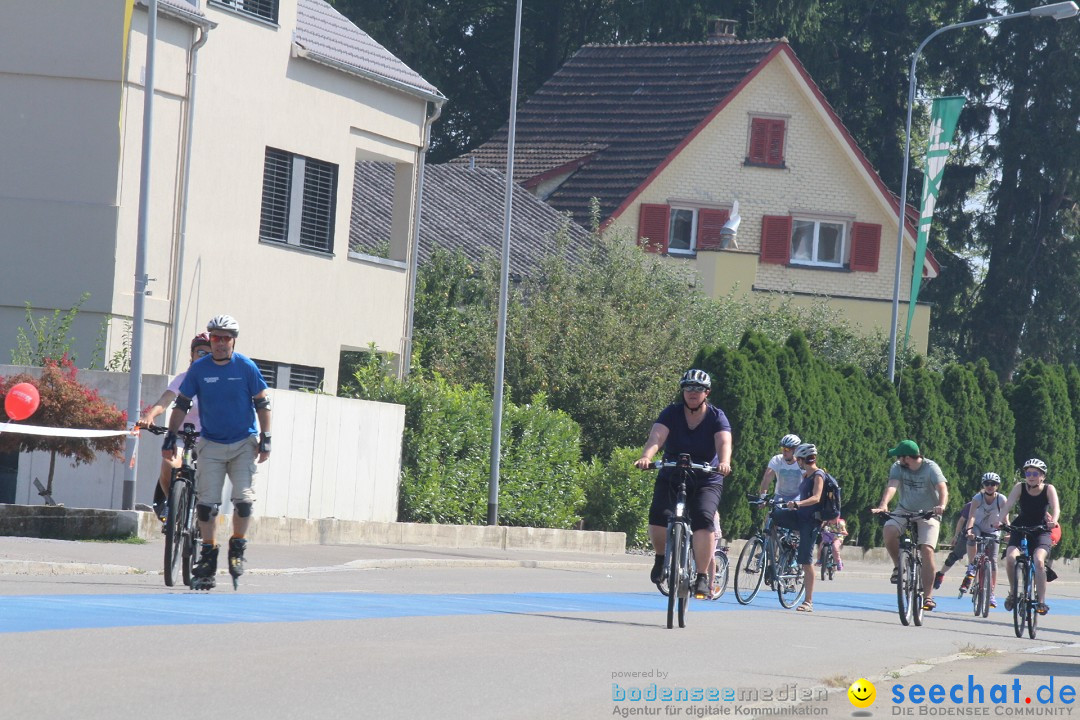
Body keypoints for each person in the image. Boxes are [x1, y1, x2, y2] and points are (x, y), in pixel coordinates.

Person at [161, 315, 272, 590]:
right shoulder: (199, 370)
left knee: (243, 501)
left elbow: (262, 402)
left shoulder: (245, 367)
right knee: (206, 505)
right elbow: (181, 404)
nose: (220, 343)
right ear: (210, 340)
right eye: (215, 338)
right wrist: (170, 436)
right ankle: (208, 558)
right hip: (210, 443)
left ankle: (237, 546)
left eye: (225, 338)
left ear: (233, 341)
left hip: (243, 442)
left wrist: (266, 437)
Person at [634, 369, 732, 599]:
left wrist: (725, 462)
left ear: (707, 393)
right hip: (673, 472)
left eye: (698, 389)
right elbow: (656, 437)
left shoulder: (717, 416)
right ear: (683, 391)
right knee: (659, 514)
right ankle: (660, 559)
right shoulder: (672, 413)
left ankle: (701, 576)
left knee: (703, 519)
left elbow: (724, 440)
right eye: (688, 388)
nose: (693, 393)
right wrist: (647, 456)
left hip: (706, 476)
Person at [136, 333, 212, 521]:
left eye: (210, 354)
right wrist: (149, 416)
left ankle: (202, 509)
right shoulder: (183, 379)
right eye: (201, 352)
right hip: (182, 435)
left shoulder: (218, 381)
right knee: (169, 463)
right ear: (192, 355)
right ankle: (172, 502)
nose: (205, 357)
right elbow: (165, 400)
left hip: (209, 438)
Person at [871, 439, 948, 611]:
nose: (898, 460)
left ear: (908, 457)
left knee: (926, 549)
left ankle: (928, 597)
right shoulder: (897, 467)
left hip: (928, 513)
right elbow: (892, 486)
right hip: (904, 509)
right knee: (889, 529)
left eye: (900, 457)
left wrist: (941, 506)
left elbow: (942, 488)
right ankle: (898, 566)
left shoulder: (931, 467)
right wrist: (884, 504)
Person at [998, 459, 1060, 615]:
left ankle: (1041, 601)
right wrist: (999, 520)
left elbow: (1056, 507)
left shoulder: (1048, 489)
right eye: (1028, 473)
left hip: (1041, 528)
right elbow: (1008, 505)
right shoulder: (1020, 487)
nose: (1030, 476)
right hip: (1021, 526)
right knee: (1011, 557)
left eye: (1035, 473)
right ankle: (1013, 593)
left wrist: (1054, 521)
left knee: (1039, 560)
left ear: (1042, 476)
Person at [771, 443, 824, 612]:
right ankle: (782, 550)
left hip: (810, 521)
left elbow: (816, 498)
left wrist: (798, 503)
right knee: (774, 516)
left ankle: (808, 601)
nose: (797, 462)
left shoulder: (818, 475)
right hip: (800, 516)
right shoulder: (806, 476)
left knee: (806, 561)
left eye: (799, 460)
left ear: (802, 460)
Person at [961, 472, 1006, 608]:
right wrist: (968, 530)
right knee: (973, 536)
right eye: (987, 484)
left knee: (992, 561)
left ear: (997, 486)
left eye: (993, 484)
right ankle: (971, 565)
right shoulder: (977, 498)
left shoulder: (1001, 499)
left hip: (993, 530)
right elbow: (972, 517)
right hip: (978, 527)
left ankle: (991, 593)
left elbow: (1005, 517)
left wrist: (1008, 531)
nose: (990, 486)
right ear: (983, 485)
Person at [931, 501, 972, 591]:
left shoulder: (996, 503)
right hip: (968, 534)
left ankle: (969, 579)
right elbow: (961, 520)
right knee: (954, 556)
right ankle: (941, 574)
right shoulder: (971, 504)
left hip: (984, 535)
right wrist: (956, 536)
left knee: (981, 560)